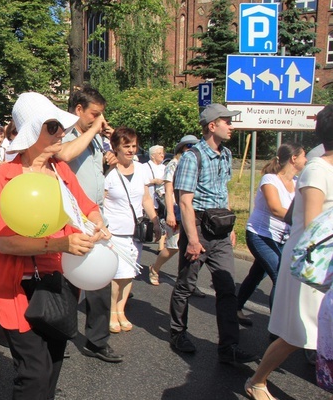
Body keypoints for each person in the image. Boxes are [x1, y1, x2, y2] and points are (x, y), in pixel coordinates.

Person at [0, 92, 109, 400]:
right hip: (15, 285)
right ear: (33, 132)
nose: (62, 131)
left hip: (56, 281)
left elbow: (87, 205)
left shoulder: (58, 170)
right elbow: (2, 242)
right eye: (52, 126)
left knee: (53, 361)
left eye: (60, 125)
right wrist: (61, 243)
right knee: (34, 367)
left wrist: (96, 222)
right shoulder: (3, 176)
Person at [244, 105, 333, 400]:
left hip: (325, 264)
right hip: (315, 267)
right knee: (298, 334)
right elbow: (311, 225)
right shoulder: (317, 170)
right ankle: (257, 380)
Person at [169, 103, 257, 364]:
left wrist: (230, 229)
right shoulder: (191, 157)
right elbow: (185, 201)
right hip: (198, 228)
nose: (231, 126)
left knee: (227, 288)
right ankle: (178, 333)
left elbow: (223, 192)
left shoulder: (227, 154)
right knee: (186, 285)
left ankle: (228, 346)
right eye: (226, 121)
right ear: (212, 126)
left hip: (220, 230)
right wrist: (193, 240)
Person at [54, 85, 123, 363]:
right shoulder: (64, 134)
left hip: (96, 216)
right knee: (70, 279)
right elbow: (66, 156)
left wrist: (109, 160)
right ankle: (62, 335)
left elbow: (92, 175)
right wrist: (94, 131)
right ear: (79, 110)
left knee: (99, 278)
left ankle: (97, 341)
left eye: (102, 115)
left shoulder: (94, 139)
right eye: (95, 114)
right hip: (72, 217)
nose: (100, 120)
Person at [236, 143, 307, 323]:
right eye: (304, 156)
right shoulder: (270, 179)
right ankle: (278, 326)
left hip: (282, 238)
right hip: (260, 235)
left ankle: (234, 308)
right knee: (280, 277)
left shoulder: (298, 183)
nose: (306, 160)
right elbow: (275, 209)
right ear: (294, 158)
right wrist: (303, 221)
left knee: (256, 274)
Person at [103, 127, 160, 333]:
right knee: (116, 275)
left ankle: (121, 310)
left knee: (130, 274)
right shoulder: (108, 172)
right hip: (114, 232)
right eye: (126, 146)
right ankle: (111, 313)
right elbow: (100, 201)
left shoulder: (142, 169)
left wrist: (155, 220)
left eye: (133, 146)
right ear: (115, 147)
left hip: (135, 231)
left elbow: (145, 198)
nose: (131, 150)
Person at [149, 135, 199, 286]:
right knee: (173, 246)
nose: (193, 149)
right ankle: (155, 268)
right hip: (177, 210)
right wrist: (170, 212)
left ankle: (187, 282)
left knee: (193, 245)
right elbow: (168, 189)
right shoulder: (174, 164)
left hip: (192, 208)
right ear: (183, 148)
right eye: (190, 146)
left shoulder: (196, 163)